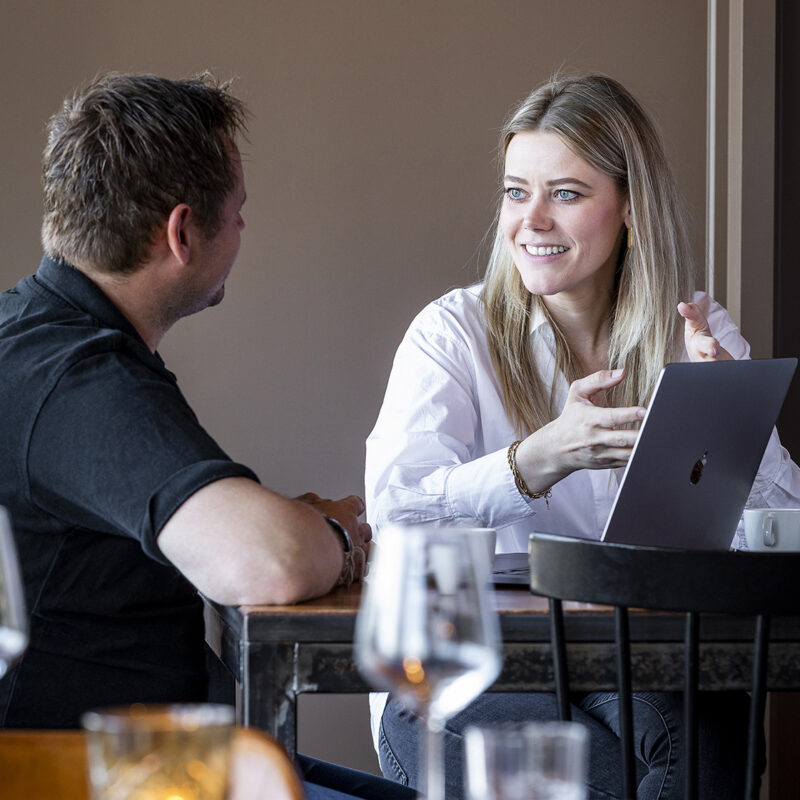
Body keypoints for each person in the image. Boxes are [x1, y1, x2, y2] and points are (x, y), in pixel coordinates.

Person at [365, 73, 800, 799]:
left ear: (630, 207)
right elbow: (396, 515)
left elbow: (786, 525)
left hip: (642, 663)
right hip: (474, 663)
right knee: (588, 776)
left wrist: (729, 420)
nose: (531, 220)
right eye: (515, 191)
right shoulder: (453, 333)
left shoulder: (696, 331)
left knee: (707, 752)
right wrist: (541, 457)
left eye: (564, 193)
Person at [0, 71, 414, 800]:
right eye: (239, 212)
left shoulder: (39, 337)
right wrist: (337, 539)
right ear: (182, 231)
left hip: (162, 758)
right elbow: (270, 563)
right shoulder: (76, 377)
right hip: (109, 777)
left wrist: (300, 523)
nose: (245, 230)